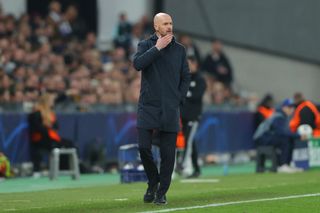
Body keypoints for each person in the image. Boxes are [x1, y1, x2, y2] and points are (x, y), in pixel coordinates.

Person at [133, 12, 190, 205]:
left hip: (170, 107)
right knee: (143, 147)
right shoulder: (145, 45)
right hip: (148, 106)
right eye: (165, 23)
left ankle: (161, 192)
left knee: (168, 155)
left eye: (171, 23)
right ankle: (153, 181)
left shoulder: (180, 50)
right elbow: (137, 64)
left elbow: (186, 77)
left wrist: (178, 99)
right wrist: (157, 48)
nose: (169, 27)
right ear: (156, 27)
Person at [253, 99, 308, 173]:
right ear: (284, 108)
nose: (291, 109)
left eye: (292, 107)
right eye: (289, 107)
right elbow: (281, 132)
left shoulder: (284, 116)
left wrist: (295, 136)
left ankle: (288, 164)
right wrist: (298, 136)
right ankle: (282, 165)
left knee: (288, 138)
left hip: (267, 137)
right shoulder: (278, 116)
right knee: (285, 139)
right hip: (261, 138)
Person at [28, 93, 73, 177]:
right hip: (40, 140)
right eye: (51, 101)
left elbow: (56, 126)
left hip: (50, 138)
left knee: (70, 144)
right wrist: (47, 127)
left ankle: (66, 168)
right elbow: (37, 128)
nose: (52, 102)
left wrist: (50, 126)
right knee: (56, 144)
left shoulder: (50, 113)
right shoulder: (37, 113)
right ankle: (37, 171)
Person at [180, 56, 206, 178]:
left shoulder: (200, 79)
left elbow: (196, 95)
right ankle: (196, 168)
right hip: (184, 116)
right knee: (191, 142)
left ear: (195, 64)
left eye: (190, 64)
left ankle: (183, 165)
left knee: (189, 142)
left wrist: (186, 92)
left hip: (193, 116)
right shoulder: (184, 77)